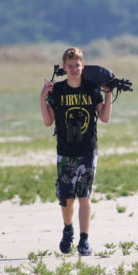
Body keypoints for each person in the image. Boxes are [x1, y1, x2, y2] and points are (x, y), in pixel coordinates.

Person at [40, 47, 112, 255]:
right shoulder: (58, 90)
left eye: (77, 66)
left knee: (84, 196)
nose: (74, 69)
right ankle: (68, 229)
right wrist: (42, 97)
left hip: (88, 149)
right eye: (70, 66)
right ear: (64, 67)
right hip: (65, 150)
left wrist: (108, 94)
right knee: (66, 198)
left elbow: (105, 118)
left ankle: (84, 241)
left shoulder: (92, 88)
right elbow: (48, 121)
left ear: (83, 66)